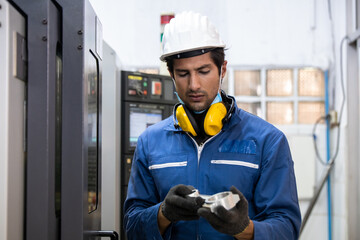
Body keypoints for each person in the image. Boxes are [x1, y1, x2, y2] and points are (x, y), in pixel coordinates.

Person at [123, 11, 301, 240]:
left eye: (204, 71)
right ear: (171, 74)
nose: (194, 84)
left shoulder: (267, 141)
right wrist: (163, 214)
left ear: (222, 69)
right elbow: (132, 227)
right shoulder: (150, 142)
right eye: (183, 73)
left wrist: (244, 229)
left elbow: (287, 230)